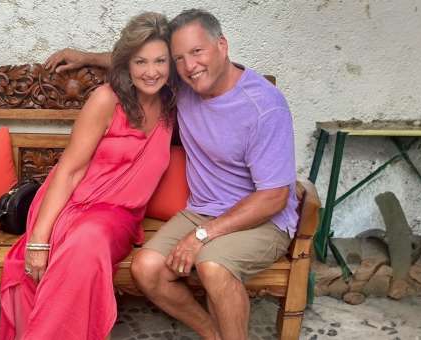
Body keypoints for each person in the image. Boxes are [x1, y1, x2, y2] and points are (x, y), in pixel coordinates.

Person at [44, 8, 298, 340]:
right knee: (146, 268)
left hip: (262, 219)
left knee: (213, 265)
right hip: (203, 210)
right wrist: (84, 56)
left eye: (197, 52)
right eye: (178, 58)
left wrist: (202, 236)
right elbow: (141, 59)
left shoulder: (264, 106)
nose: (189, 66)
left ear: (222, 45)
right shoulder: (186, 80)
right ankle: (213, 334)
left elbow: (274, 197)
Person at [0, 12, 178, 340]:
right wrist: (38, 240)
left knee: (88, 240)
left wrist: (87, 57)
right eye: (140, 62)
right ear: (127, 64)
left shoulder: (172, 99)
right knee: (75, 247)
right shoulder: (107, 100)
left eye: (160, 61)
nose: (151, 72)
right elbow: (69, 170)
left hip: (116, 216)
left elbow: (208, 66)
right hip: (69, 202)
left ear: (172, 63)